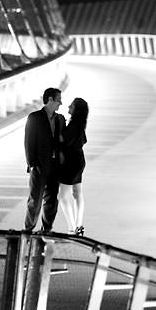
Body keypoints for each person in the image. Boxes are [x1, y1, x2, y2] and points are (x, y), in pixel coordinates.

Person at [24, 87, 65, 233]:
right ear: (50, 100)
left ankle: (47, 229)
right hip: (39, 166)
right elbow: (29, 142)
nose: (61, 103)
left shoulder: (60, 119)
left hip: (55, 166)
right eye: (58, 100)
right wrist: (32, 164)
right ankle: (28, 229)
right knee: (35, 200)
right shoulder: (34, 118)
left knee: (52, 200)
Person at [58, 97, 89, 235]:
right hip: (78, 160)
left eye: (72, 105)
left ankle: (72, 228)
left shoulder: (74, 125)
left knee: (63, 196)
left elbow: (62, 139)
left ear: (76, 110)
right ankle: (79, 225)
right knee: (77, 193)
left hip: (70, 161)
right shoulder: (79, 124)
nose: (68, 105)